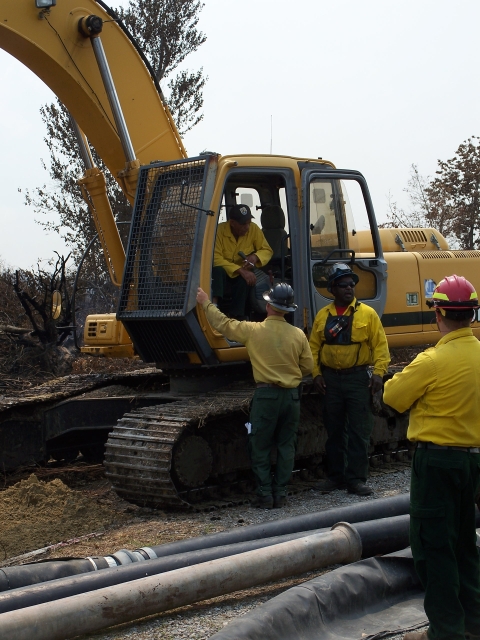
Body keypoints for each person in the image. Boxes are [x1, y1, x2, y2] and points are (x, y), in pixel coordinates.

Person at [383, 275, 480, 640]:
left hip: (437, 465)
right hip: (473, 463)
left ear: (438, 312)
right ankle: (473, 625)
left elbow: (393, 398)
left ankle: (445, 632)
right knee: (464, 545)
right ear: (471, 314)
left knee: (433, 549)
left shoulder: (432, 360)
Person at [196, 283, 313, 509]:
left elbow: (224, 324)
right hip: (291, 398)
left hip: (266, 396)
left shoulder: (253, 330)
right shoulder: (298, 334)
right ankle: (280, 494)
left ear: (269, 306)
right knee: (287, 445)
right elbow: (308, 366)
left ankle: (264, 494)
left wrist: (205, 302)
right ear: (288, 309)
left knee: (259, 444)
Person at [309, 263, 390, 496]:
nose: (349, 288)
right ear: (332, 289)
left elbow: (380, 347)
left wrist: (378, 373)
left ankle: (356, 480)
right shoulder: (323, 316)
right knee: (334, 431)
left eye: (352, 284)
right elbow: (313, 348)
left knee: (358, 431)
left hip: (357, 379)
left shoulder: (367, 314)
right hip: (331, 381)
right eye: (343, 284)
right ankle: (336, 477)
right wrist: (316, 374)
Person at [212, 204, 273, 319]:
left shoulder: (254, 229)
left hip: (243, 272)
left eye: (249, 222)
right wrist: (239, 270)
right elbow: (216, 258)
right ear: (232, 223)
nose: (247, 227)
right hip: (224, 271)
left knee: (246, 280)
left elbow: (267, 250)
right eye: (243, 224)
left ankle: (236, 316)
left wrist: (255, 256)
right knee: (217, 271)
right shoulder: (219, 231)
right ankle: (214, 308)